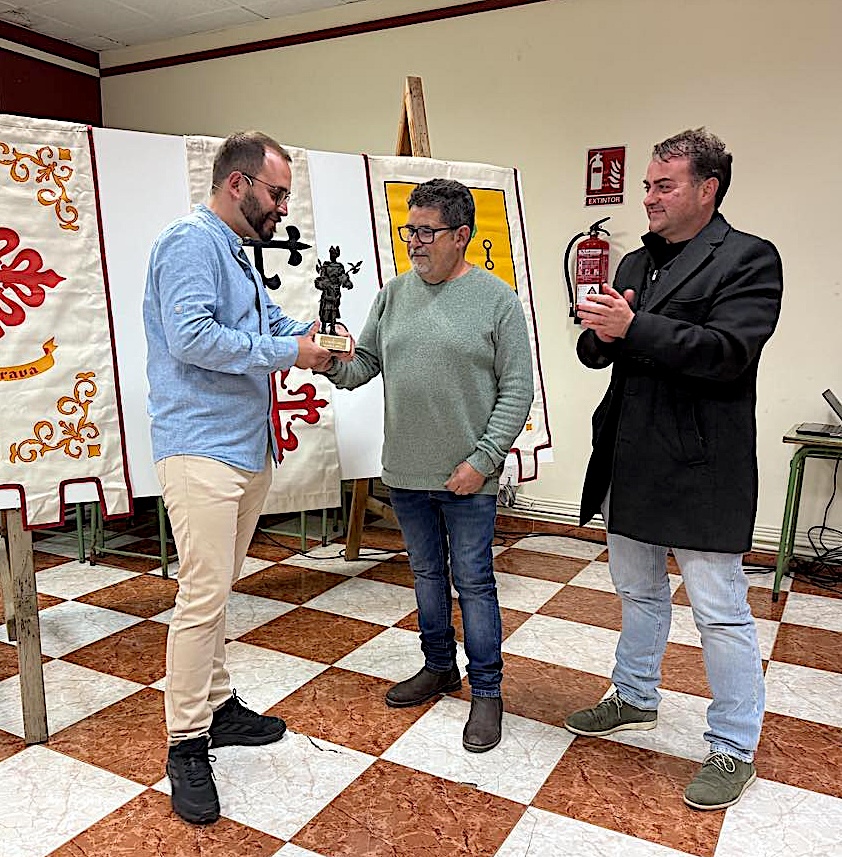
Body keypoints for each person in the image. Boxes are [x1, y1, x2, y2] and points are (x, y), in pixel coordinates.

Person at [566, 128, 783, 810]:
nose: (649, 198)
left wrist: (632, 328)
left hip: (701, 465)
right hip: (630, 457)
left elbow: (727, 352)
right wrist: (600, 332)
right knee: (637, 593)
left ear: (707, 190)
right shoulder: (636, 261)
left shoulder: (748, 259)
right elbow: (601, 351)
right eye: (647, 186)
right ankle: (633, 695)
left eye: (665, 186)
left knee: (720, 612)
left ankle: (733, 746)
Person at [143, 130, 338, 825]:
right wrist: (291, 351)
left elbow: (267, 323)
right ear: (237, 184)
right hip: (200, 449)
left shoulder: (233, 250)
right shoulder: (189, 243)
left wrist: (315, 338)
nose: (283, 207)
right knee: (201, 596)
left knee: (218, 586)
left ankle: (218, 706)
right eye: (276, 193)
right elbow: (192, 337)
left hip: (242, 448)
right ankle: (185, 743)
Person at [324, 178, 533, 752]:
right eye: (409, 230)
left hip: (469, 477)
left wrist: (483, 461)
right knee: (425, 576)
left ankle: (487, 691)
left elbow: (517, 389)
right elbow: (363, 365)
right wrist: (329, 359)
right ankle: (439, 666)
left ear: (461, 235)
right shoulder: (393, 295)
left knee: (474, 582)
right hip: (407, 472)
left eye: (426, 232)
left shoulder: (497, 301)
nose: (414, 242)